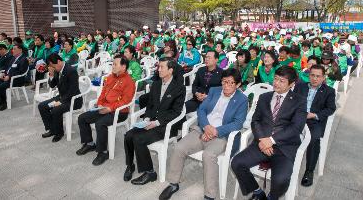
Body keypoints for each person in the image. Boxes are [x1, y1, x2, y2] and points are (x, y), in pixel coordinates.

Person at [159, 68, 248, 200]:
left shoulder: (242, 99)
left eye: (231, 83)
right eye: (224, 82)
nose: (226, 86)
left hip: (222, 135)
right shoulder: (214, 91)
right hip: (203, 128)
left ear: (238, 84)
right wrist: (206, 126)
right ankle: (173, 183)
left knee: (208, 155)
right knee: (179, 147)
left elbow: (237, 123)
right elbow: (202, 110)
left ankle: (209, 195)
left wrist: (215, 131)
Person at [231, 66, 307, 200]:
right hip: (261, 143)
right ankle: (258, 192)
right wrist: (261, 139)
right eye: (276, 79)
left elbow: (296, 128)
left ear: (292, 84)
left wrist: (271, 141)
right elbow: (255, 121)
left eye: (282, 81)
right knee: (237, 163)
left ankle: (272, 197)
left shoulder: (299, 101)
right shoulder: (264, 97)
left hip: (284, 147)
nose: (276, 83)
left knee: (281, 179)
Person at [123, 57, 186, 185]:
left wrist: (156, 123)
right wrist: (146, 118)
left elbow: (176, 112)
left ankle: (150, 172)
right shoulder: (156, 84)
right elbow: (150, 105)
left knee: (138, 139)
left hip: (166, 125)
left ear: (171, 70)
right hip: (151, 121)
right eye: (158, 66)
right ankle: (130, 165)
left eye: (162, 67)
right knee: (129, 135)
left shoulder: (179, 87)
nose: (159, 69)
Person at [76, 55, 136, 165]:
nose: (112, 66)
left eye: (115, 64)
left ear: (123, 67)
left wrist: (110, 108)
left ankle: (103, 152)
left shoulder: (129, 82)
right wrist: (99, 104)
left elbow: (125, 101)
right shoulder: (110, 77)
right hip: (104, 108)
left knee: (100, 123)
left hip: (119, 112)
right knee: (82, 118)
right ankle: (89, 143)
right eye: (113, 63)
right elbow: (103, 93)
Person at [293, 65, 336, 187]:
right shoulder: (300, 86)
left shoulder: (329, 91)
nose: (315, 78)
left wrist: (315, 115)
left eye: (318, 76)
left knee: (314, 139)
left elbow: (331, 108)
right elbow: (292, 100)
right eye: (312, 75)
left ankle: (309, 171)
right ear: (309, 75)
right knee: (282, 130)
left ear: (323, 78)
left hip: (314, 121)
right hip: (297, 118)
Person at [38, 53, 82, 142]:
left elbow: (73, 90)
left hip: (73, 100)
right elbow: (52, 85)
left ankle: (59, 133)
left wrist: (61, 101)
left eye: (52, 66)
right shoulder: (57, 70)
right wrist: (51, 75)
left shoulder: (71, 70)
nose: (52, 68)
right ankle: (52, 129)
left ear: (58, 61)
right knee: (42, 106)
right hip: (62, 97)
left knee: (56, 109)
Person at [0, 44, 29, 111]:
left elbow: (21, 71)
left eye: (15, 49)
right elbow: (8, 68)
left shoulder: (24, 59)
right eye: (12, 49)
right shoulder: (13, 58)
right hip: (8, 77)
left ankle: (4, 103)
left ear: (20, 50)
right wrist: (4, 73)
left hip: (17, 80)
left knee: (0, 86)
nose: (13, 50)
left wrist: (9, 76)